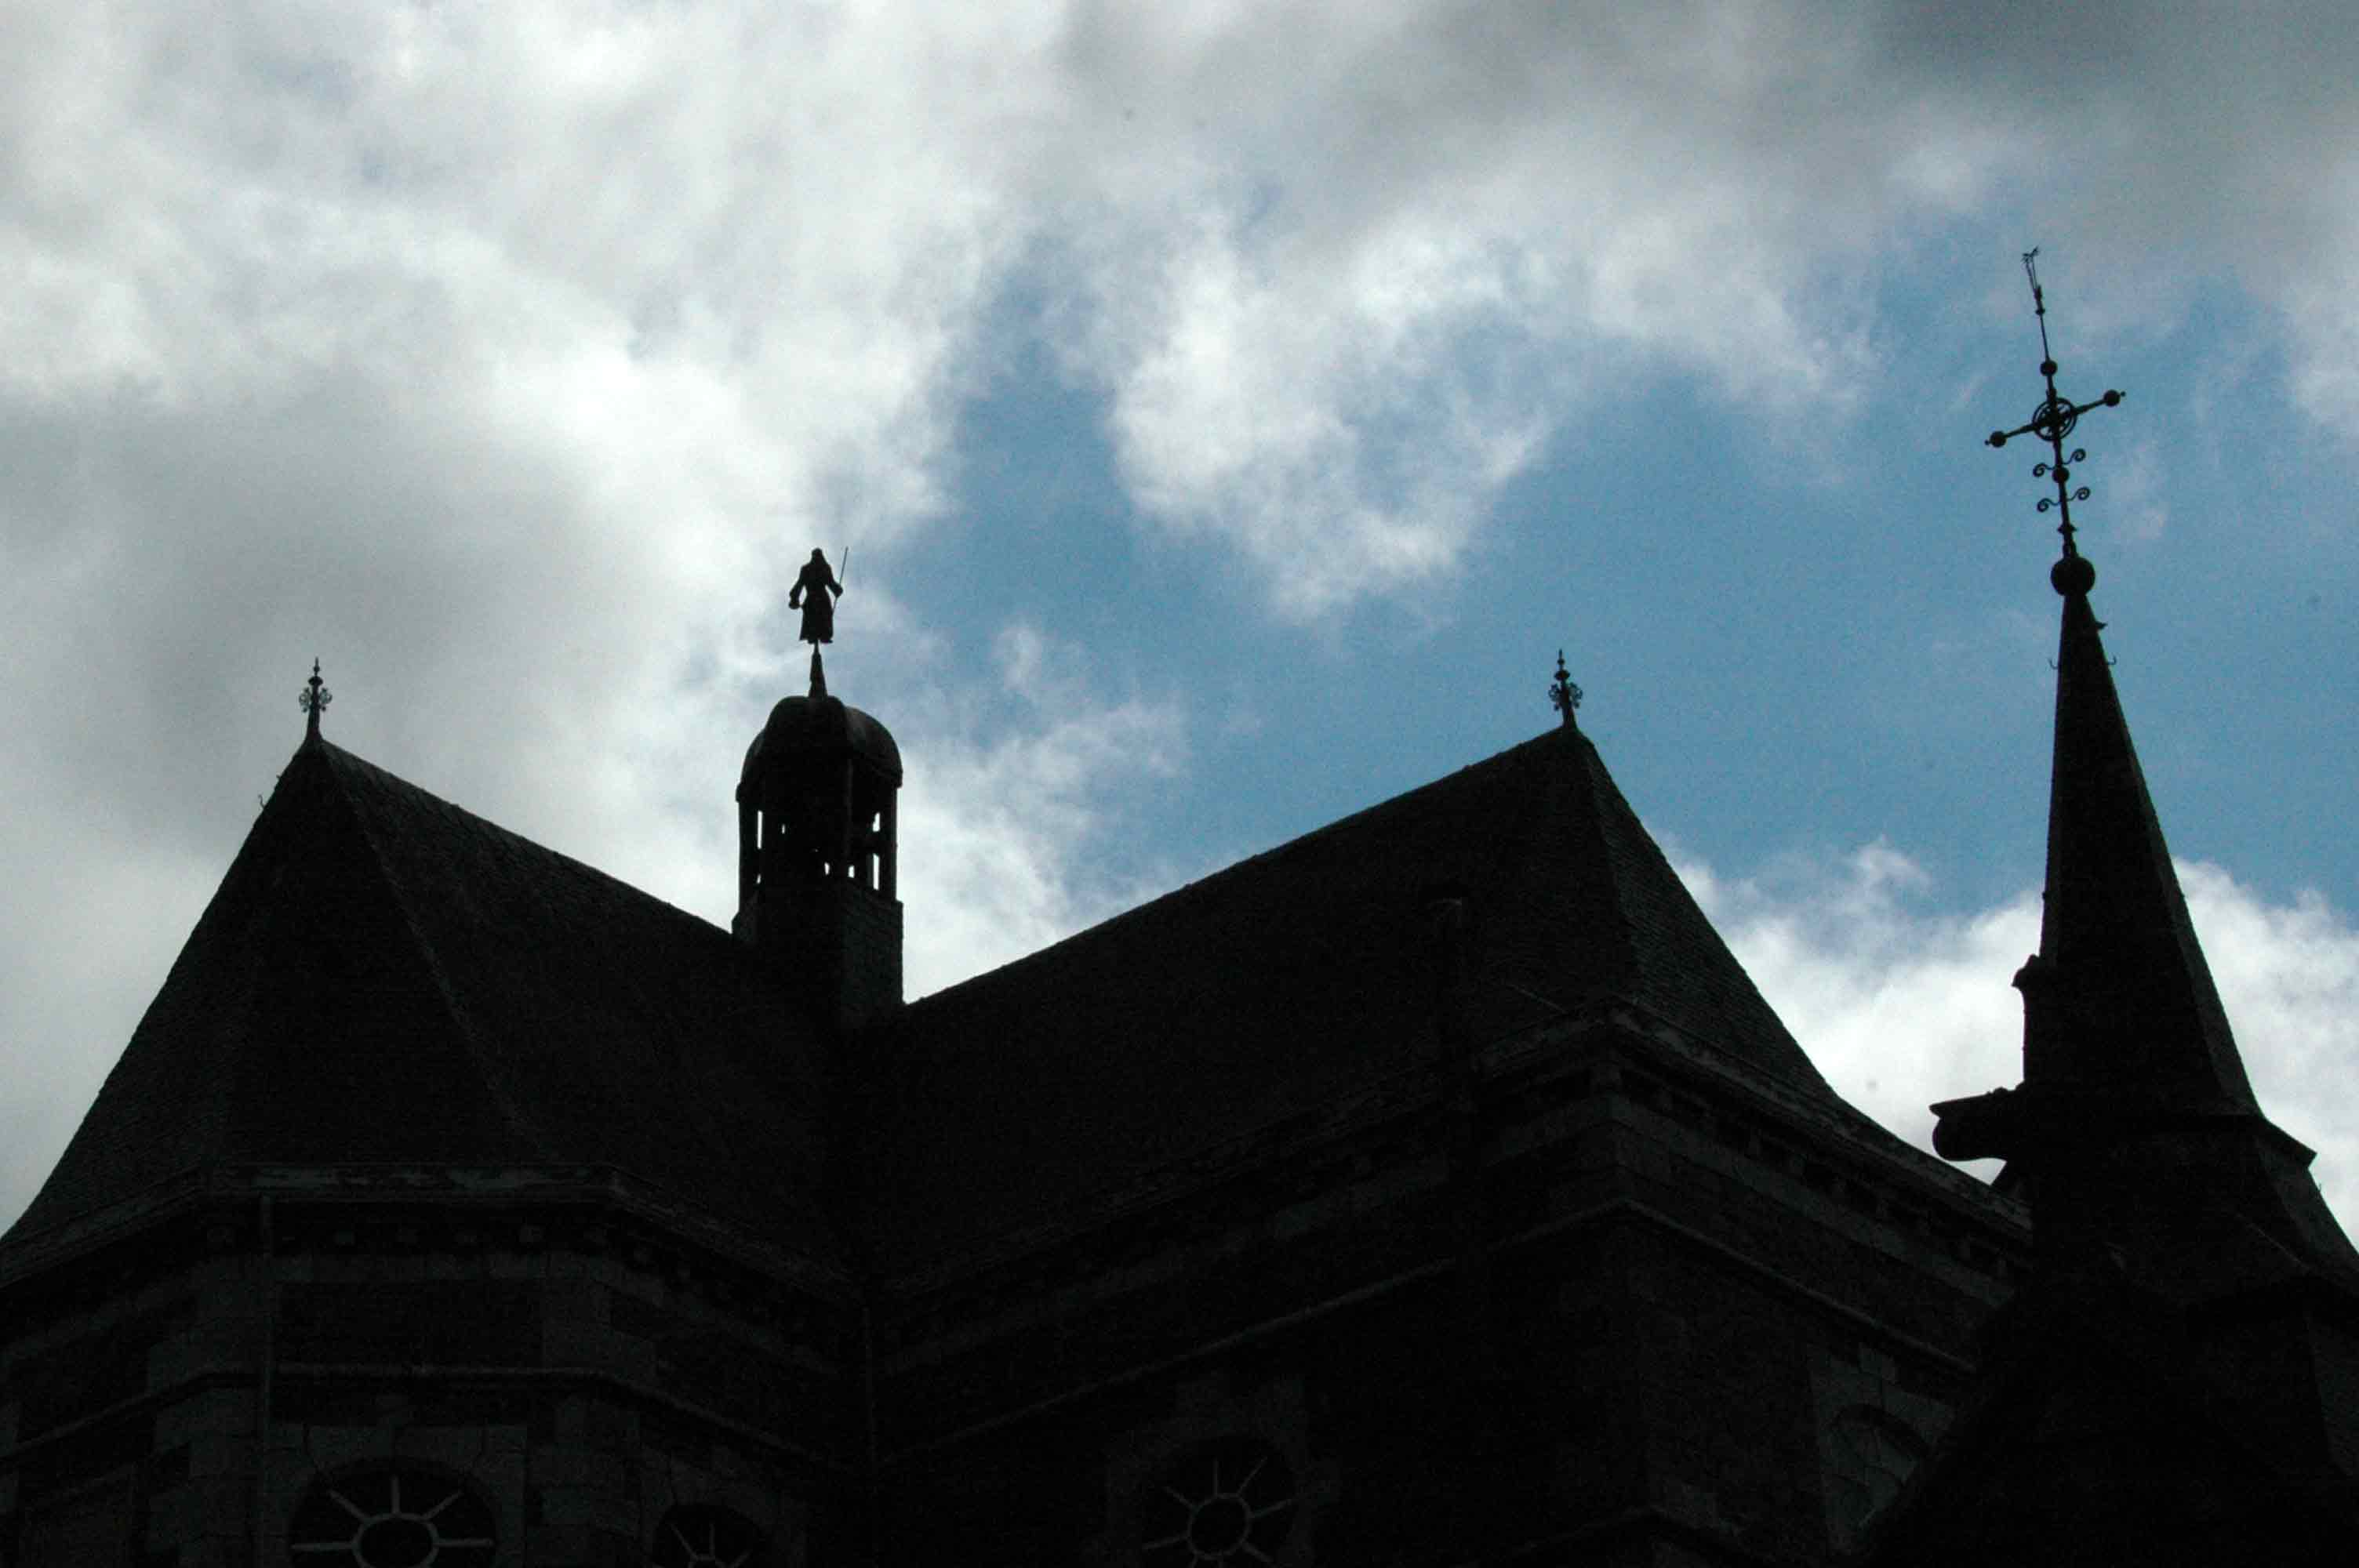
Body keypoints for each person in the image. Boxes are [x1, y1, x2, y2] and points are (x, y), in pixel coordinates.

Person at [787, 549, 842, 645]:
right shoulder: (818, 568)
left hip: (815, 598)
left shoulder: (818, 568)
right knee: (816, 616)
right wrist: (794, 597)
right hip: (817, 598)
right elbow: (800, 584)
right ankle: (817, 635)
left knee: (822, 615)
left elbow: (830, 582)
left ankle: (821, 635)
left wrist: (837, 590)